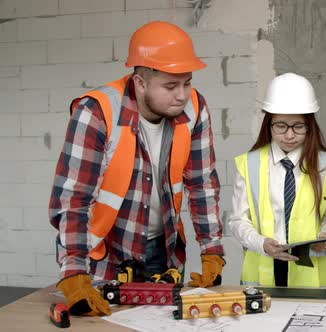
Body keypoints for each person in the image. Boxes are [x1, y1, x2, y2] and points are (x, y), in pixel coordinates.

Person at [48, 21, 225, 316]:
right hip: (104, 256)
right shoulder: (97, 112)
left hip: (163, 252)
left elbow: (202, 183)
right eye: (170, 86)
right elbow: (73, 200)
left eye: (187, 82)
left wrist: (212, 250)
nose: (182, 95)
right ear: (140, 82)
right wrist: (75, 272)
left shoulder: (194, 107)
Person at [229, 73, 326, 288]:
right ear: (269, 124)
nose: (289, 135)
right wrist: (262, 244)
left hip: (309, 272)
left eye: (298, 126)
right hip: (265, 267)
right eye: (280, 126)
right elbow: (237, 220)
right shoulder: (248, 164)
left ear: (309, 125)